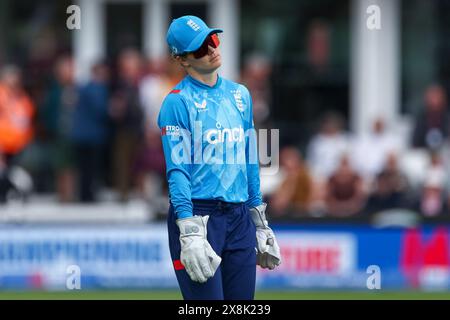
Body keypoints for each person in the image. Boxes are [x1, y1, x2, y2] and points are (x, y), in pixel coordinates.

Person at [157, 15, 281, 300]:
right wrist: (188, 229)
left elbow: (250, 159)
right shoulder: (177, 102)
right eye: (201, 48)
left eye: (212, 40)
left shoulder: (240, 95)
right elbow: (178, 171)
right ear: (182, 60)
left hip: (239, 217)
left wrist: (258, 218)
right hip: (199, 216)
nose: (212, 49)